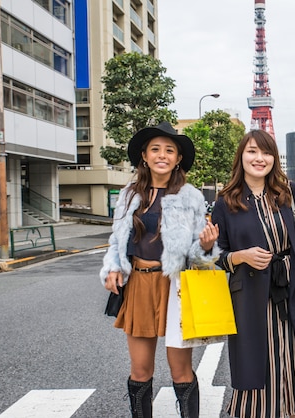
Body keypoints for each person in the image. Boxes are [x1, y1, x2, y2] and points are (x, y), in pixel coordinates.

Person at [100, 121, 220, 418]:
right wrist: (114, 267)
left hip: (177, 287)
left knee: (181, 370)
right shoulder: (129, 194)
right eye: (155, 149)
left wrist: (206, 247)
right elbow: (117, 239)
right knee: (140, 369)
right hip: (139, 284)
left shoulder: (191, 196)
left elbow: (198, 255)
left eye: (170, 150)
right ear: (144, 155)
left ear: (178, 158)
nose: (162, 155)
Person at [211, 130, 295, 418]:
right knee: (256, 362)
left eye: (266, 152)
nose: (259, 158)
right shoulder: (226, 201)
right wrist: (241, 256)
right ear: (241, 156)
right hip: (250, 294)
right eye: (252, 151)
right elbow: (215, 254)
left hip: (293, 287)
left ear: (274, 158)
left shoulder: (289, 191)